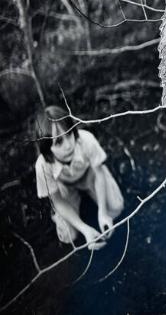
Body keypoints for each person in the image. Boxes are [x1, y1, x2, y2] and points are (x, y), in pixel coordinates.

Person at [34, 105, 124, 250]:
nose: (68, 145)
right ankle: (71, 213)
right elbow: (57, 200)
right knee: (68, 235)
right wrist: (85, 229)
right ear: (46, 148)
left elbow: (99, 174)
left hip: (90, 174)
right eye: (58, 142)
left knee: (116, 208)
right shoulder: (42, 166)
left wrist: (102, 211)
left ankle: (93, 200)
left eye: (69, 134)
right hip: (64, 185)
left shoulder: (86, 140)